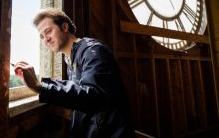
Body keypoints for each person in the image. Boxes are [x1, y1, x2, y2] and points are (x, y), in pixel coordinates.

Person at [14, 8, 135, 138]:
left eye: (48, 31)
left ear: (65, 27)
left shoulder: (93, 50)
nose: (45, 39)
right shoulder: (70, 58)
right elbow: (79, 91)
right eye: (41, 36)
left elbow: (92, 96)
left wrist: (40, 86)